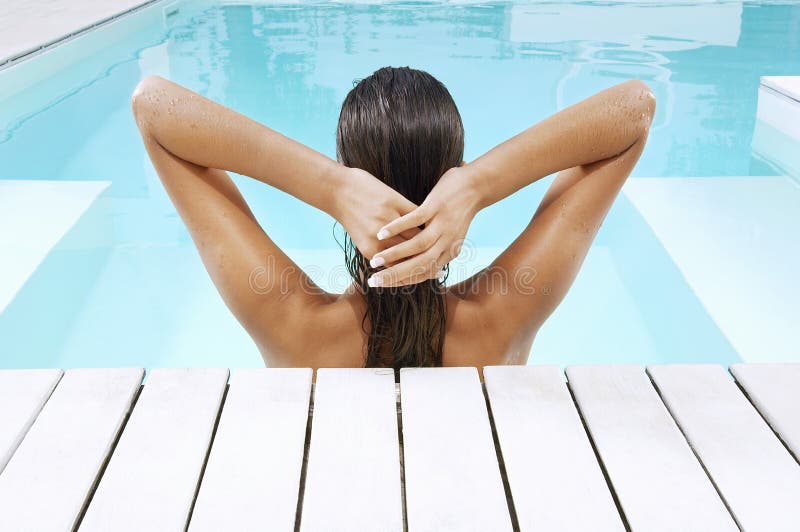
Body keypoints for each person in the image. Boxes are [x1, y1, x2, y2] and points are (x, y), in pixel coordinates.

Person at [131, 66, 655, 369]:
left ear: (345, 168)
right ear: (452, 172)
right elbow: (635, 109)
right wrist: (479, 184)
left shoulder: (292, 326)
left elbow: (153, 107)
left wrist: (327, 186)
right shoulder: (503, 317)